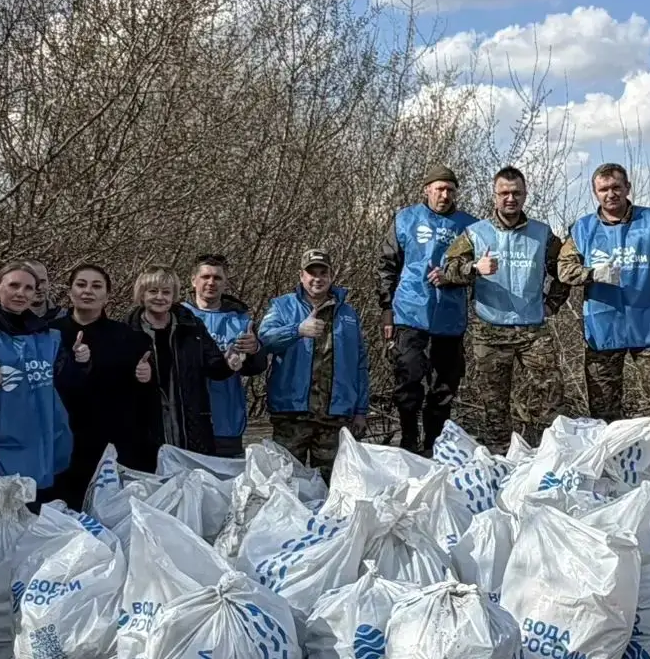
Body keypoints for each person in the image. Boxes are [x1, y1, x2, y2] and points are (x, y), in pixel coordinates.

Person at [556, 162, 650, 472]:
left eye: (616, 187)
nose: (611, 194)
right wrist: (592, 273)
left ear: (628, 187)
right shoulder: (582, 229)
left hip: (649, 327)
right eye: (604, 189)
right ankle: (608, 465)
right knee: (603, 406)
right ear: (595, 193)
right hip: (604, 329)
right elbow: (563, 271)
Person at [437, 165, 569, 451]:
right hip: (490, 329)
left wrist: (553, 303)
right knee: (494, 404)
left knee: (551, 396)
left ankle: (551, 455)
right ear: (494, 196)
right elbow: (446, 269)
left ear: (525, 196)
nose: (510, 198)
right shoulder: (475, 234)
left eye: (516, 193)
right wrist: (474, 267)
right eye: (504, 193)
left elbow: (565, 270)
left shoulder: (542, 234)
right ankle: (500, 461)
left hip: (532, 329)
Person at [378, 165, 477, 454]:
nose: (444, 195)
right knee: (407, 378)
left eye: (450, 190)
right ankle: (408, 441)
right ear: (427, 190)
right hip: (409, 313)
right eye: (439, 189)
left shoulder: (470, 226)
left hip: (450, 317)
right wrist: (386, 309)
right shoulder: (405, 219)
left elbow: (482, 271)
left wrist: (456, 276)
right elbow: (386, 265)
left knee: (444, 387)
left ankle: (434, 446)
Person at [259, 249, 370, 473]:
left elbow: (360, 364)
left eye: (323, 273)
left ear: (331, 276)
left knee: (334, 485)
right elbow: (264, 339)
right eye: (311, 273)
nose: (317, 278)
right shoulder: (282, 306)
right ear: (301, 276)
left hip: (335, 415)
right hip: (292, 414)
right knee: (286, 482)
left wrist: (361, 410)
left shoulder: (348, 314)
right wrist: (297, 330)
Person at [49, 262, 146, 507]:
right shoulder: (49, 333)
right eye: (81, 285)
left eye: (96, 286)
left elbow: (139, 395)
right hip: (59, 438)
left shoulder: (127, 337)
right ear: (70, 292)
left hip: (109, 442)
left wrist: (145, 375)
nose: (88, 291)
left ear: (107, 295)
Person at [0, 261, 72, 502]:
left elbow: (61, 387)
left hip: (43, 444)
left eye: (28, 288)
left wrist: (81, 362)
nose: (21, 293)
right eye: (13, 285)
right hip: (0, 444)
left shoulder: (49, 337)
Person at [121, 266, 232, 469]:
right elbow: (114, 383)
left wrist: (231, 362)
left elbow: (215, 368)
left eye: (166, 292)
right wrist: (135, 376)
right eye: (153, 291)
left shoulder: (191, 327)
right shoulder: (126, 331)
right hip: (146, 434)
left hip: (191, 431)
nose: (160, 297)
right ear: (142, 294)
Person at [184, 254, 267, 457]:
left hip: (227, 420)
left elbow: (256, 368)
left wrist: (255, 349)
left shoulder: (240, 320)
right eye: (205, 277)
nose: (211, 282)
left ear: (225, 283)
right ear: (193, 281)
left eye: (217, 278)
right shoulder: (178, 317)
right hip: (186, 420)